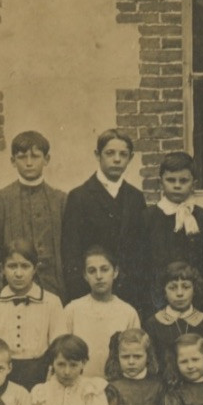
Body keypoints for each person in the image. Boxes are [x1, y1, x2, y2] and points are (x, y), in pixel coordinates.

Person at [61, 129, 148, 304]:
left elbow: (141, 249)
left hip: (128, 294)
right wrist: (80, 294)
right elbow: (71, 251)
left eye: (123, 154)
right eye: (110, 153)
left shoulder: (135, 197)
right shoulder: (79, 196)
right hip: (90, 292)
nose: (117, 159)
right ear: (97, 155)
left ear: (130, 158)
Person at [0, 238, 68, 388]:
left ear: (35, 269)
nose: (18, 273)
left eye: (25, 266)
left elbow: (59, 347)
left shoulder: (51, 302)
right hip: (1, 375)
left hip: (39, 374)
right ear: (2, 269)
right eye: (12, 266)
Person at [0, 130, 67, 298]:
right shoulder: (1, 199)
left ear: (46, 159)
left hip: (53, 287)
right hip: (13, 288)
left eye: (35, 156)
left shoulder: (60, 199)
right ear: (13, 161)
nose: (29, 163)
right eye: (22, 157)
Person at [143, 152, 203, 311]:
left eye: (184, 180)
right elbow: (143, 267)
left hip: (196, 305)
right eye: (171, 180)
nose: (177, 185)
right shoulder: (148, 218)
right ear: (161, 183)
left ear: (193, 184)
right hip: (157, 305)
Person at [63, 247, 141, 376]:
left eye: (105, 270)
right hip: (80, 386)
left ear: (115, 272)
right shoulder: (72, 309)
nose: (98, 276)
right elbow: (62, 353)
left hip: (116, 387)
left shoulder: (128, 312)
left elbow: (135, 353)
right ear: (85, 276)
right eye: (92, 271)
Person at [143, 261, 203, 373]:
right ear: (164, 291)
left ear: (194, 289)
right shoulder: (153, 324)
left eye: (186, 287)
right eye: (172, 288)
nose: (179, 293)